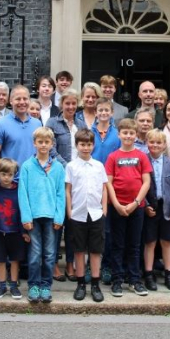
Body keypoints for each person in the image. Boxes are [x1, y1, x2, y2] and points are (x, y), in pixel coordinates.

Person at [105, 118, 152, 297]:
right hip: (117, 207)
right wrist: (116, 204)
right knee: (117, 245)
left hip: (136, 207)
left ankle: (134, 280)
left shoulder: (141, 156)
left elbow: (146, 181)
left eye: (131, 133)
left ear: (136, 135)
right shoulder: (113, 157)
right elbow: (108, 183)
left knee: (134, 245)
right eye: (125, 133)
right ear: (119, 134)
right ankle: (117, 280)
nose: (128, 136)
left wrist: (135, 203)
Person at [19, 127, 66, 303]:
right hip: (34, 217)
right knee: (34, 254)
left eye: (47, 142)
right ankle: (34, 285)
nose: (43, 145)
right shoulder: (27, 166)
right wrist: (26, 217)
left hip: (51, 217)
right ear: (34, 143)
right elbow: (22, 193)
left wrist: (59, 217)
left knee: (49, 254)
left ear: (52, 144)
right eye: (40, 142)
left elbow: (61, 193)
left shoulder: (58, 168)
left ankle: (46, 285)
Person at [46, 88, 84, 279]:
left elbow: (84, 147)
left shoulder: (81, 123)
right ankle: (53, 264)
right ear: (61, 104)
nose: (70, 106)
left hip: (77, 181)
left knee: (73, 224)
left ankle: (70, 263)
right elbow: (50, 149)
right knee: (57, 223)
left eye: (73, 103)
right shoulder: (52, 123)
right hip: (59, 178)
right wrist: (68, 166)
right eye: (67, 103)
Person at [66, 128, 108, 302]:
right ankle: (81, 283)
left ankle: (96, 285)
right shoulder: (71, 166)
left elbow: (104, 188)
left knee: (96, 251)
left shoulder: (98, 165)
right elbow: (68, 190)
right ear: (76, 145)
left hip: (96, 213)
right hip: (78, 214)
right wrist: (69, 211)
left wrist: (104, 209)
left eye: (89, 144)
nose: (86, 147)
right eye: (82, 144)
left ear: (93, 145)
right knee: (79, 250)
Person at [141, 128, 170, 291]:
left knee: (166, 241)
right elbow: (140, 185)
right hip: (151, 207)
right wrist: (145, 205)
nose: (155, 145)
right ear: (147, 143)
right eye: (152, 142)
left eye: (159, 142)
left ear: (165, 145)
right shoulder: (143, 160)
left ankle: (169, 273)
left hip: (167, 208)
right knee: (150, 242)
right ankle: (149, 273)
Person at [0, 158, 28, 299]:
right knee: (1, 260)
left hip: (15, 232)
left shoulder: (19, 191)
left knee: (15, 260)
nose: (6, 178)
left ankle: (14, 285)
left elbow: (23, 211)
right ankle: (2, 286)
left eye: (10, 174)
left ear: (15, 174)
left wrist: (24, 231)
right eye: (3, 174)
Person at [91, 98, 121, 164]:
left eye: (106, 110)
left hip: (112, 172)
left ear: (112, 112)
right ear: (95, 113)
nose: (104, 113)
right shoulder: (89, 133)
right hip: (93, 171)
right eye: (100, 110)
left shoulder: (117, 134)